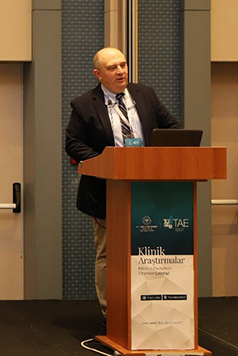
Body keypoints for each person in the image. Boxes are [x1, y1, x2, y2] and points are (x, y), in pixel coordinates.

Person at [65, 47, 180, 320]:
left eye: (123, 65)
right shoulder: (84, 104)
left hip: (149, 189)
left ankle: (149, 309)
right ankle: (112, 313)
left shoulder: (145, 95)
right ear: (98, 74)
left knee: (149, 250)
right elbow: (73, 144)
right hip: (106, 191)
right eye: (112, 68)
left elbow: (173, 129)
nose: (120, 71)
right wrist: (106, 162)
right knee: (109, 253)